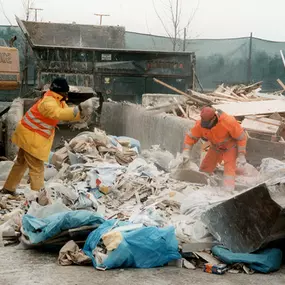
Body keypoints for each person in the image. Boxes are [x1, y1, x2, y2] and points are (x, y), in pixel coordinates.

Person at [0, 77, 93, 199]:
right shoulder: (48, 102)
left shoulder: (57, 99)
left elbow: (66, 112)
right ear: (61, 92)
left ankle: (8, 189)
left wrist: (80, 113)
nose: (67, 95)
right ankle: (39, 198)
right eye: (66, 92)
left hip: (28, 135)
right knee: (37, 168)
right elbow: (58, 113)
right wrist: (79, 109)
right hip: (31, 137)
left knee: (21, 163)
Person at [183, 106, 247, 190]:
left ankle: (228, 190)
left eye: (207, 124)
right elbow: (190, 137)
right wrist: (186, 152)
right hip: (215, 147)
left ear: (213, 119)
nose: (205, 126)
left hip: (230, 147)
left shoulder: (228, 122)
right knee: (205, 168)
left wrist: (241, 155)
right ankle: (201, 186)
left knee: (229, 171)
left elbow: (241, 137)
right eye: (204, 123)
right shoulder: (200, 125)